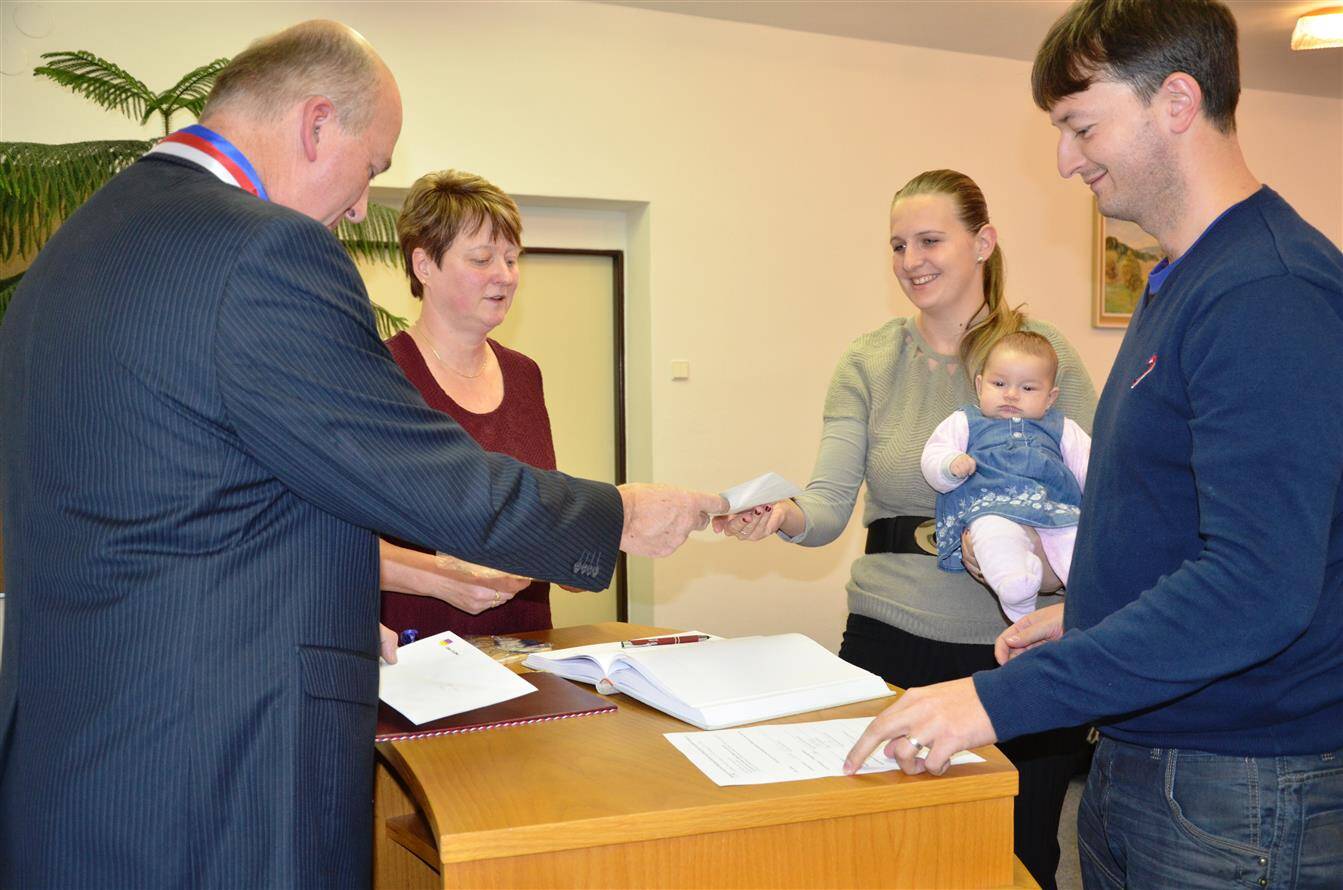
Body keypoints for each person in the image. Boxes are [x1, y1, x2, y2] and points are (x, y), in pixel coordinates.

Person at [0, 21, 724, 889]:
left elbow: (185, 499)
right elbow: (432, 481)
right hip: (214, 768)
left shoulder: (80, 245)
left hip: (80, 755)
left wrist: (329, 603)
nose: (355, 208)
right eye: (371, 168)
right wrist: (623, 515)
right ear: (316, 124)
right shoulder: (261, 249)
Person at [844, 2, 1343, 887]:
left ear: (1176, 102)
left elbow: (1257, 585)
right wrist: (1091, 612)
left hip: (1238, 789)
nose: (1066, 160)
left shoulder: (1265, 291)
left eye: (1081, 126)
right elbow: (1180, 521)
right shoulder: (1182, 281)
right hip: (1152, 759)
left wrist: (994, 703)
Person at [715, 169, 1097, 888]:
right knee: (879, 859)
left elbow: (1102, 496)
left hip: (1018, 651)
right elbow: (829, 502)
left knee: (1015, 860)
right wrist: (782, 514)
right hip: (889, 636)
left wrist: (1052, 577)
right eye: (897, 245)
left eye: (929, 241)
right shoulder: (869, 360)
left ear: (982, 242)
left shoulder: (1044, 358)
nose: (910, 261)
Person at [378, 169, 562, 638]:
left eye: (512, 259)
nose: (505, 275)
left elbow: (543, 513)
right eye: (482, 259)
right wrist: (442, 578)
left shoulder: (525, 374)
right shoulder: (378, 375)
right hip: (419, 651)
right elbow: (332, 542)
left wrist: (582, 546)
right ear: (424, 266)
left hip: (526, 647)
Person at [922, 330, 1091, 621]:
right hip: (990, 506)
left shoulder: (1064, 428)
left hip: (1055, 511)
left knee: (1076, 538)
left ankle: (1089, 599)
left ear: (1050, 398)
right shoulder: (966, 421)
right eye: (999, 383)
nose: (1011, 394)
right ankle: (1016, 589)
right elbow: (933, 453)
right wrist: (950, 465)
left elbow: (1093, 469)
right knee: (993, 535)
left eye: (1028, 388)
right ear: (980, 385)